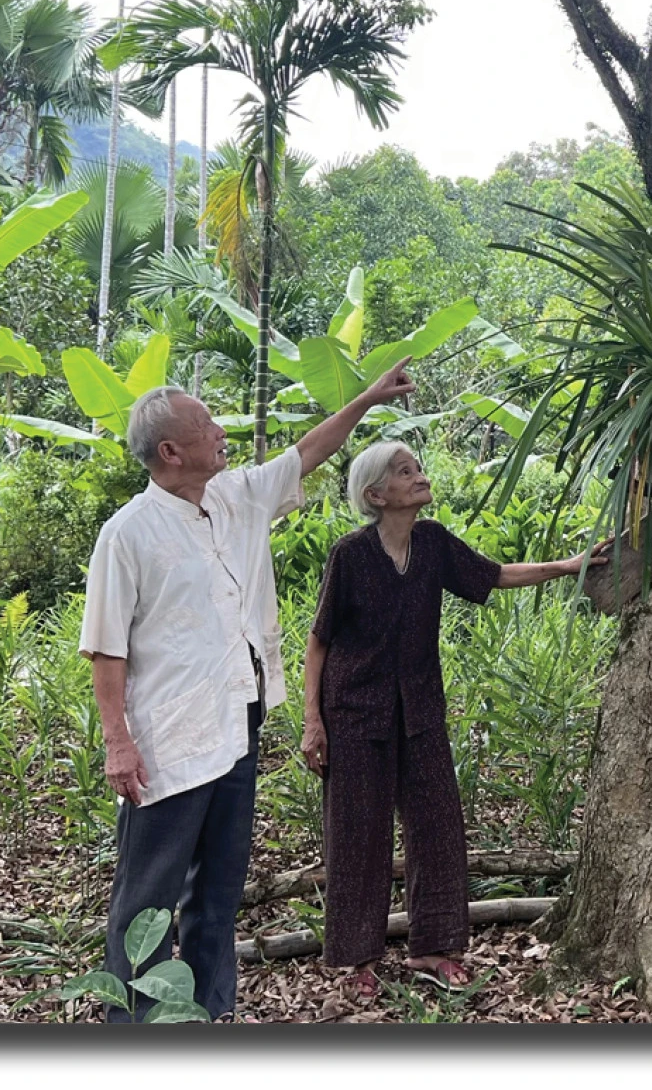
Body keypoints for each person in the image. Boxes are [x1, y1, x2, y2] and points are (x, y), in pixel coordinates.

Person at [78, 365, 414, 1021]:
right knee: (147, 899)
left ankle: (211, 1013)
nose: (220, 431)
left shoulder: (238, 496)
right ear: (171, 450)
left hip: (237, 722)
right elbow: (107, 649)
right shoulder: (128, 533)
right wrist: (117, 741)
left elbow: (309, 451)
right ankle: (135, 1027)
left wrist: (369, 397)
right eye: (206, 425)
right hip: (168, 742)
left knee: (219, 888)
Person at [302, 441, 603, 997]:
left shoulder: (434, 543)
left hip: (419, 709)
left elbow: (495, 575)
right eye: (405, 471)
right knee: (357, 836)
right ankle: (358, 961)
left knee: (438, 827)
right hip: (355, 714)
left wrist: (567, 566)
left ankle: (433, 948)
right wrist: (312, 722)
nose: (420, 476)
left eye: (417, 468)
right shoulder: (351, 555)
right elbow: (318, 642)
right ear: (376, 495)